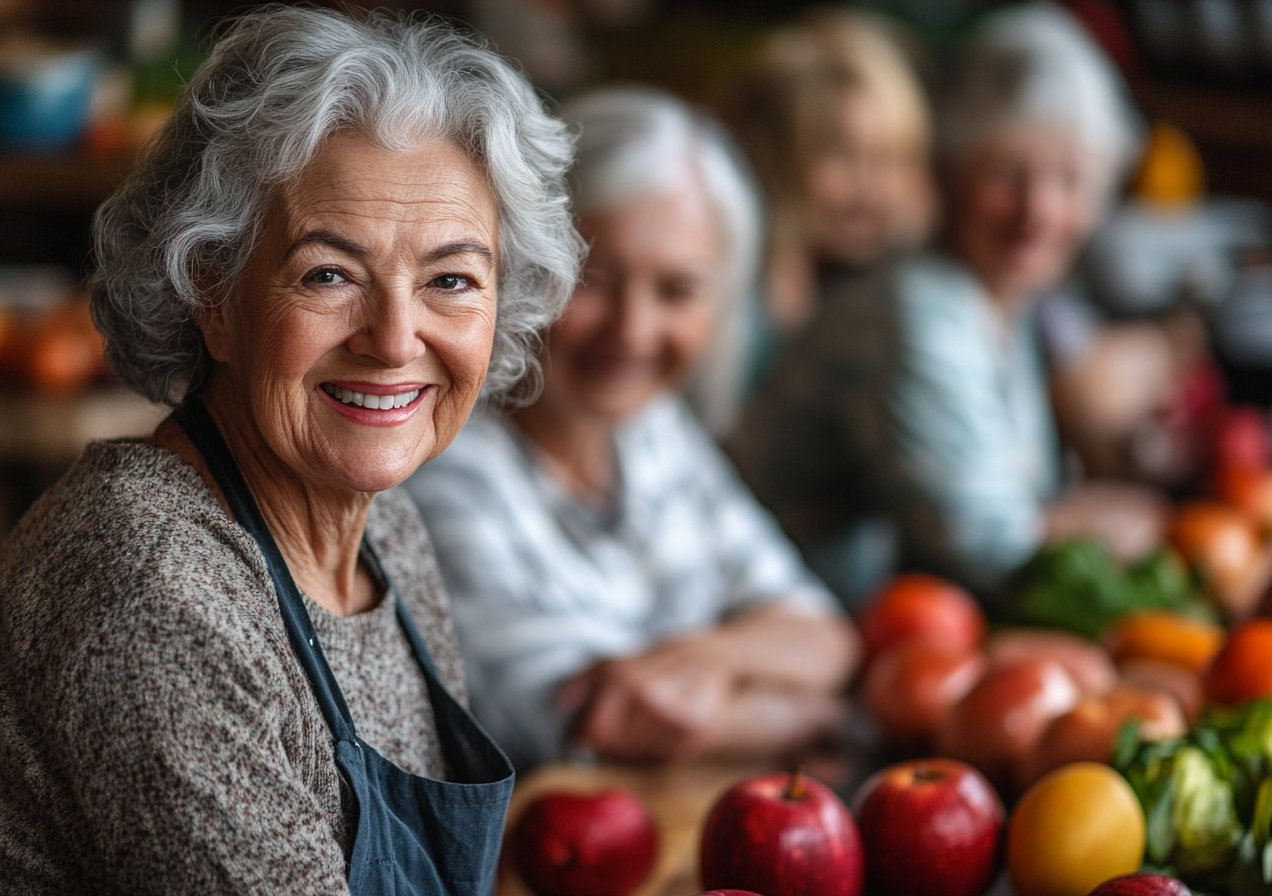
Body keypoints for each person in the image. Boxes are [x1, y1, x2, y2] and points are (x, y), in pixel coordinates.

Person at [0, 8, 582, 894]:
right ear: (212, 291)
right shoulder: (152, 587)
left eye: (451, 280)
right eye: (329, 274)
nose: (395, 339)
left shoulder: (387, 530)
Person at [406, 88, 860, 771]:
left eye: (676, 291)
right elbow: (587, 730)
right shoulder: (446, 468)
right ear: (523, 266)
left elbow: (826, 636)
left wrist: (709, 658)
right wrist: (819, 714)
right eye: (594, 279)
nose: (634, 331)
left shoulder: (656, 433)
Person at [732, 3, 1167, 606]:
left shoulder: (1006, 304)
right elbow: (990, 546)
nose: (1039, 212)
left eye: (1071, 182)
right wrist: (1122, 521)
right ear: (953, 171)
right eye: (1009, 175)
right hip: (801, 628)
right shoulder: (916, 309)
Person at [722, 7, 934, 337]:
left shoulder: (889, 287)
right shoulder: (733, 304)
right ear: (773, 152)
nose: (870, 189)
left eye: (889, 158)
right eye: (842, 156)